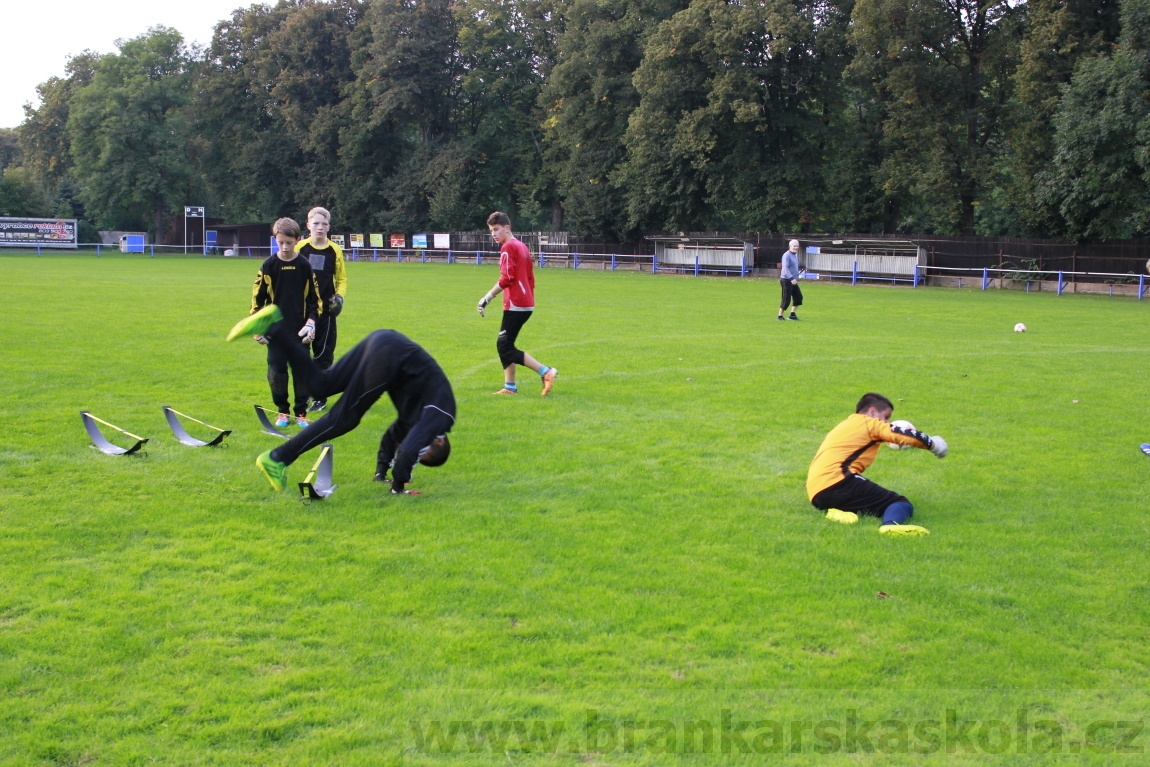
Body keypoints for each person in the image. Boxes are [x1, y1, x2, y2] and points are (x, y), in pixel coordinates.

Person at [227, 304, 455, 495]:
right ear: (439, 441)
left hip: (385, 341)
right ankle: (277, 458)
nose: (419, 444)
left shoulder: (418, 415)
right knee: (344, 418)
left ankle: (272, 326)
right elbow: (407, 449)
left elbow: (393, 439)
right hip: (390, 357)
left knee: (320, 386)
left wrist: (381, 473)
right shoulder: (442, 417)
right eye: (424, 451)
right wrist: (398, 488)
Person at [806, 392, 948, 536]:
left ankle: (836, 511)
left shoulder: (846, 424)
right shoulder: (869, 423)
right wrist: (934, 444)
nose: (885, 422)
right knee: (899, 503)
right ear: (872, 411)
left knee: (865, 500)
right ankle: (890, 526)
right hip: (839, 481)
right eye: (885, 417)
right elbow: (900, 434)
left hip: (816, 492)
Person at [250, 218, 322, 428]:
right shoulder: (268, 266)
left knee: (301, 372)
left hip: (300, 331)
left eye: (289, 243)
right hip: (276, 332)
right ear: (275, 240)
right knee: (276, 371)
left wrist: (311, 322)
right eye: (280, 242)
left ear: (297, 240)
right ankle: (282, 411)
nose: (285, 247)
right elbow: (257, 300)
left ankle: (301, 412)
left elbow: (314, 300)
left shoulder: (304, 266)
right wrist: (258, 327)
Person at [475, 211, 558, 395]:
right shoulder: (522, 246)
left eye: (496, 229)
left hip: (517, 303)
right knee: (506, 344)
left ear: (507, 228)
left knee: (504, 346)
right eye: (491, 231)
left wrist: (486, 298)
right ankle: (510, 387)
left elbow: (507, 278)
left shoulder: (508, 248)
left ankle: (546, 372)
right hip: (525, 302)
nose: (494, 234)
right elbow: (530, 276)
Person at [295, 206, 347, 413]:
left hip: (326, 311)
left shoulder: (335, 250)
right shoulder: (300, 248)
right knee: (301, 354)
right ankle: (303, 395)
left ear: (329, 227)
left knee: (323, 355)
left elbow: (341, 278)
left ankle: (320, 397)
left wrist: (339, 296)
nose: (320, 227)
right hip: (303, 311)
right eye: (316, 223)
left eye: (324, 224)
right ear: (308, 225)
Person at [777, 239, 803, 321]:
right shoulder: (786, 255)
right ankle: (780, 316)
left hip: (793, 280)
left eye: (797, 246)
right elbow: (785, 268)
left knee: (798, 297)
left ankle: (792, 314)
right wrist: (791, 278)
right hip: (786, 280)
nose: (796, 247)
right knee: (786, 298)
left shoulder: (795, 255)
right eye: (794, 246)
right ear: (790, 246)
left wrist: (796, 277)